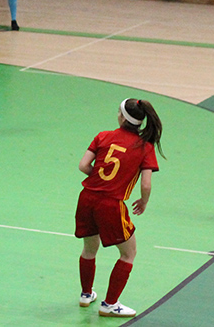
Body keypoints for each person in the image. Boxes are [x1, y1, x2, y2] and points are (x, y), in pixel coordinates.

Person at [75, 98, 164, 318]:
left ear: (122, 117)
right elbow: (146, 183)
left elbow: (83, 166)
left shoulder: (103, 136)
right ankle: (110, 304)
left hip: (86, 199)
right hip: (110, 204)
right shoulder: (145, 147)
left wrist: (98, 179)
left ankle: (86, 294)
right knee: (128, 253)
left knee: (89, 249)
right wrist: (143, 201)